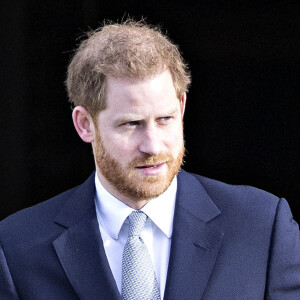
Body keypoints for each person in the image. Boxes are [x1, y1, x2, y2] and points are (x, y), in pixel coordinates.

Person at [0, 20, 299, 300]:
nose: (152, 145)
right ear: (84, 124)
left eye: (165, 119)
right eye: (131, 124)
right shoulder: (16, 248)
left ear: (181, 107)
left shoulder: (261, 227)